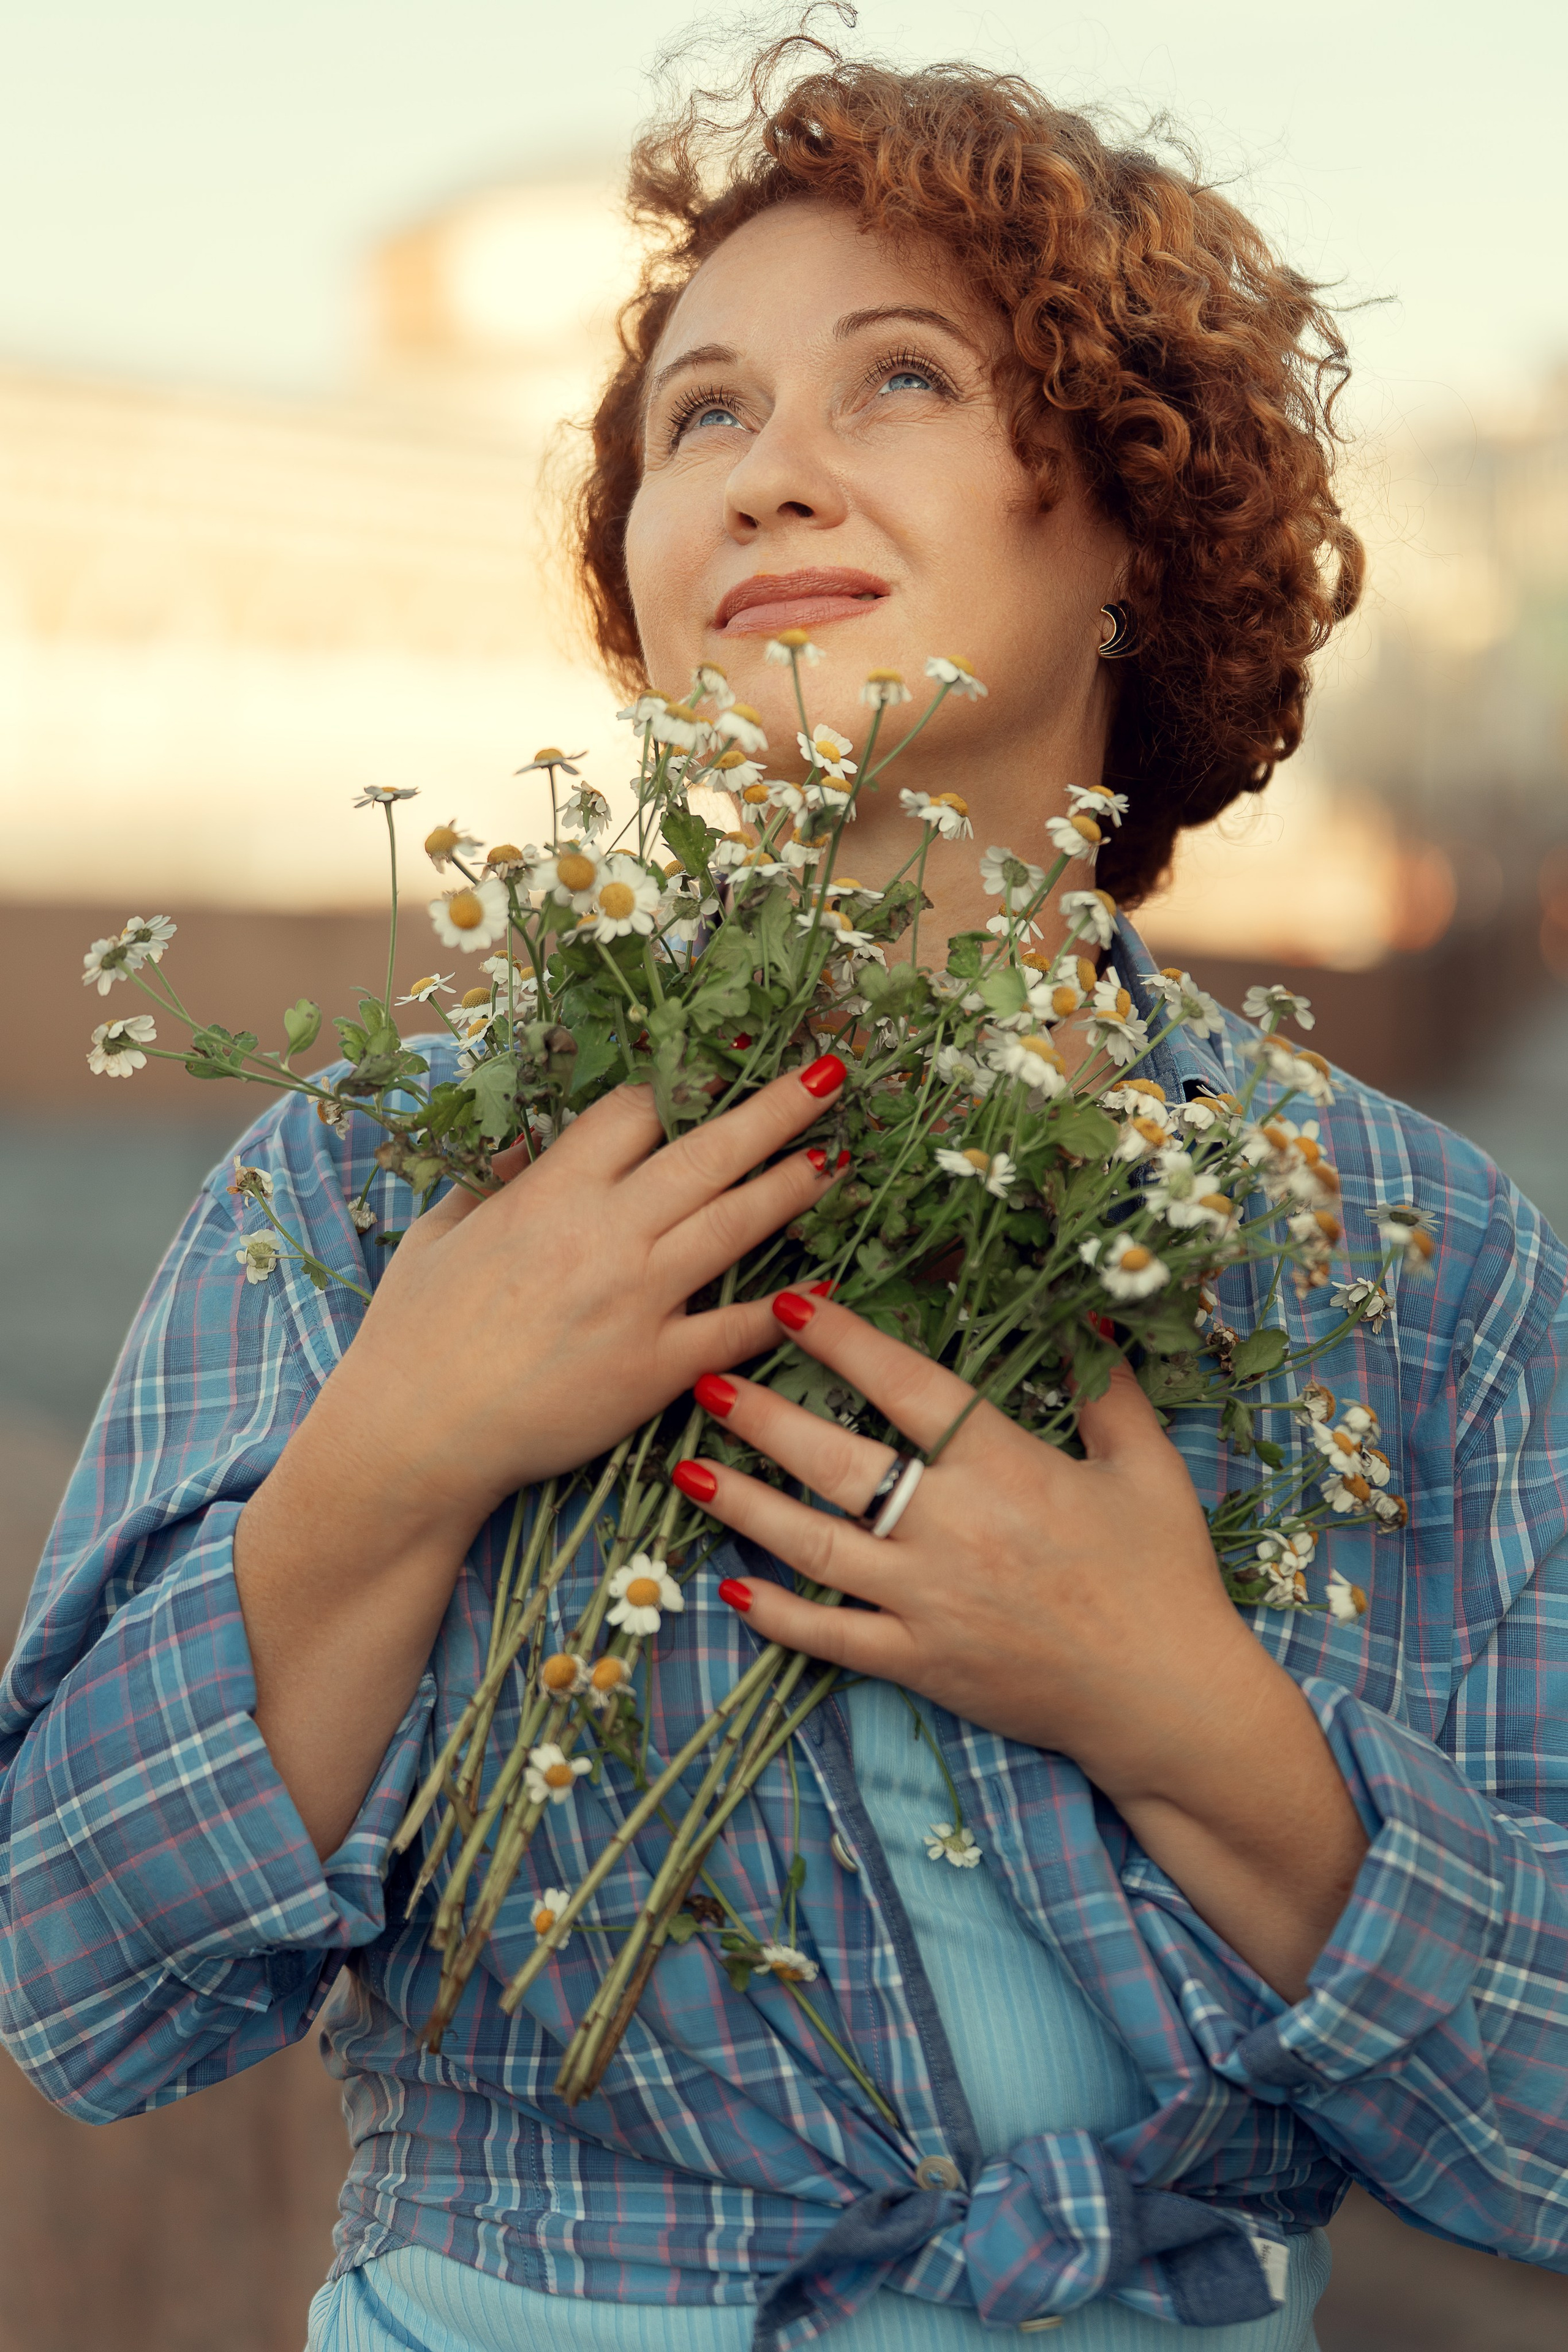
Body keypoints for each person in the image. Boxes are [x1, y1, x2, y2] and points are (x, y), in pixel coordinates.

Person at [3, 42, 1566, 2352]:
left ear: (1131, 513)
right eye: (697, 421)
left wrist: (1179, 1710)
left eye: (900, 378)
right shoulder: (376, 1182)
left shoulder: (1409, 1253)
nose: (768, 474)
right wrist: (396, 1454)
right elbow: (75, 1981)